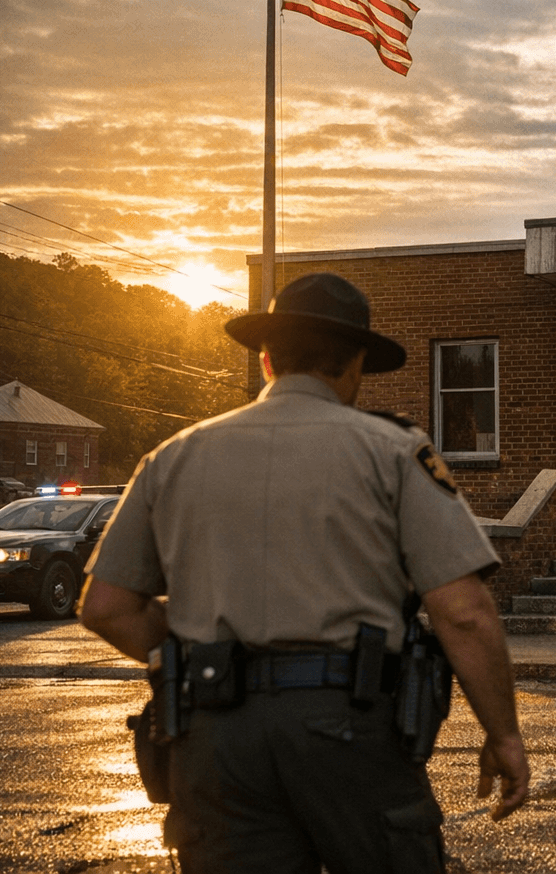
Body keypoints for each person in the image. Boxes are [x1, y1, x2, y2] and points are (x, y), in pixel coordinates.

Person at [78, 272, 530, 873]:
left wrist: (207, 656)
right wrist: (502, 735)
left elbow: (106, 607)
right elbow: (463, 612)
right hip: (349, 729)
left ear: (266, 360)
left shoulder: (174, 455)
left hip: (213, 737)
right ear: (355, 366)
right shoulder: (393, 450)